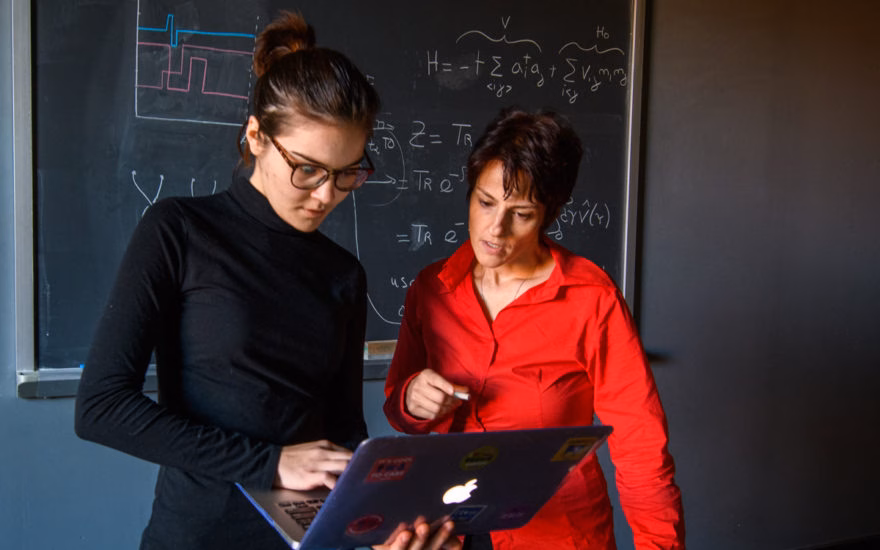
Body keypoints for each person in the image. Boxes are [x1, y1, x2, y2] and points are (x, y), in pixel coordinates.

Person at [75, 12, 459, 550]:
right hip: (200, 534)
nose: (326, 195)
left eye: (348, 172)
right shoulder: (179, 231)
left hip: (314, 538)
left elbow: (346, 434)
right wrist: (271, 463)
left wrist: (376, 526)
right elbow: (102, 408)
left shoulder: (344, 274)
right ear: (257, 136)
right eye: (308, 168)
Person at [383, 107, 685, 549]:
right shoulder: (433, 288)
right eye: (485, 203)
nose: (495, 229)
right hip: (446, 530)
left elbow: (642, 449)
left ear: (549, 213)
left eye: (520, 213)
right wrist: (411, 399)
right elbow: (398, 409)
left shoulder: (591, 299)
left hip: (555, 534)